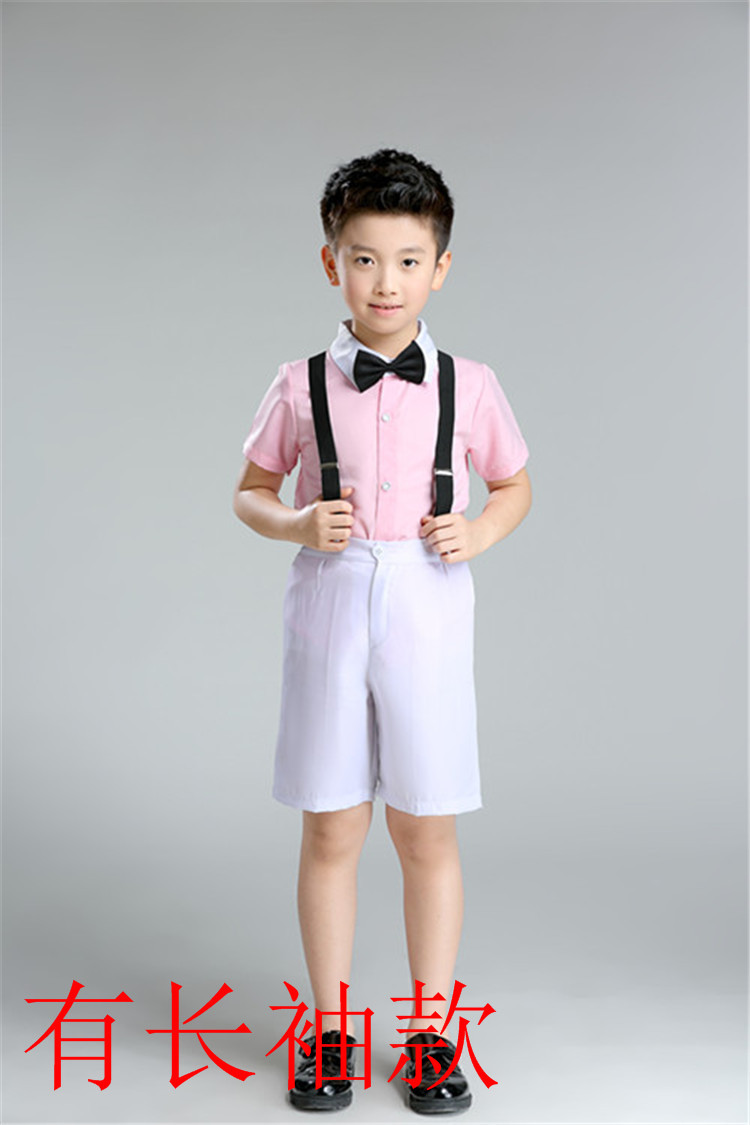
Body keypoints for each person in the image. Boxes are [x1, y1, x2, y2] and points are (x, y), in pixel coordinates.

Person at [232, 148, 532, 1115]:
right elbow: (250, 491)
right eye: (364, 259)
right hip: (330, 593)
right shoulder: (298, 383)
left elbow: (513, 482)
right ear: (332, 263)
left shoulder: (470, 384)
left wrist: (479, 529)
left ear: (440, 267)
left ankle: (431, 1032)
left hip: (429, 597)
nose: (386, 281)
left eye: (408, 260)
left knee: (425, 821)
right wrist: (295, 522)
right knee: (331, 822)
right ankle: (328, 1029)